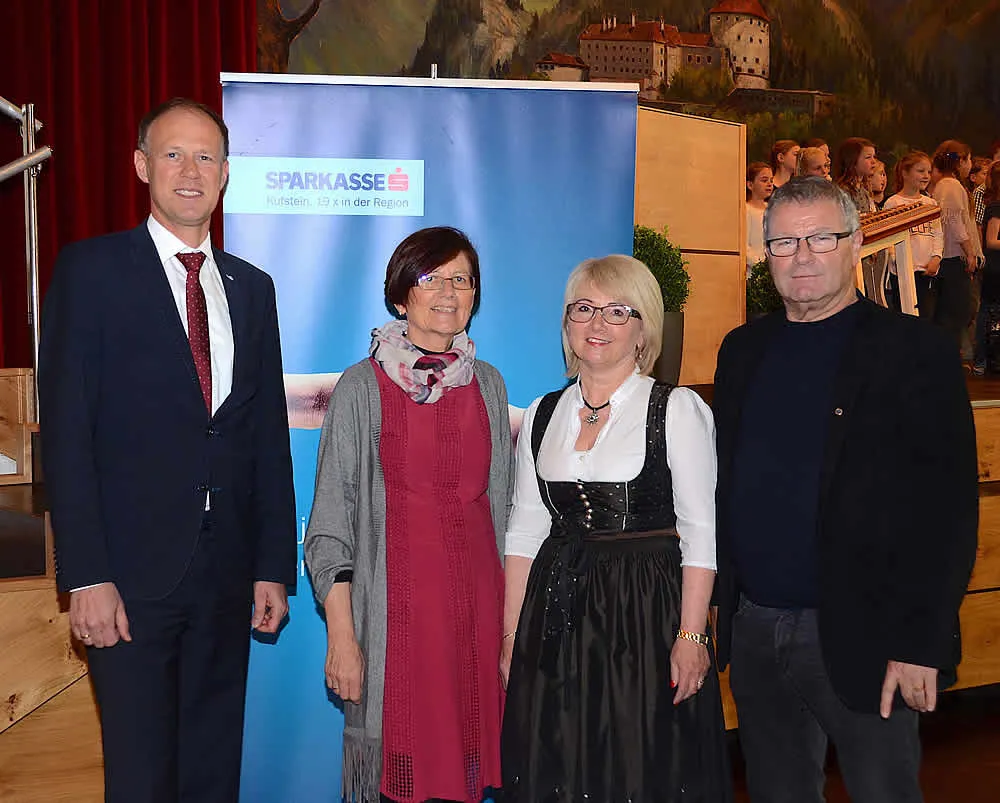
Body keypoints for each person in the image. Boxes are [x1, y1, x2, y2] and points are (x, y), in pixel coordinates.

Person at [38, 98, 296, 802]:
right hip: (126, 583)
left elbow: (265, 436)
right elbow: (66, 434)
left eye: (207, 156)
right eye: (174, 154)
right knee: (143, 776)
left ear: (226, 173)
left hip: (227, 579)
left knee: (212, 776)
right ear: (142, 165)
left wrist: (272, 565)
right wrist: (84, 573)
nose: (191, 170)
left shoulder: (253, 288)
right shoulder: (90, 273)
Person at [713, 177, 979, 803]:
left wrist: (923, 641)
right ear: (766, 253)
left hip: (871, 636)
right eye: (783, 242)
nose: (801, 255)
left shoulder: (916, 352)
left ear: (855, 244)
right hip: (754, 630)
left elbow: (948, 513)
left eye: (820, 238)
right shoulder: (742, 350)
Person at [501, 255, 731, 803]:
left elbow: (701, 533)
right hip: (556, 611)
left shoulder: (676, 409)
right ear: (566, 323)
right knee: (558, 756)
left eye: (616, 311)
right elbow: (525, 532)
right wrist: (511, 639)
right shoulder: (542, 412)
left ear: (643, 327)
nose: (597, 324)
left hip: (644, 613)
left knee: (638, 759)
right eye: (583, 309)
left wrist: (692, 635)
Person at [304, 226, 513, 803]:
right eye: (431, 279)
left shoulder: (489, 385)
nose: (449, 292)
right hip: (392, 625)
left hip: (475, 620)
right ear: (401, 295)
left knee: (465, 781)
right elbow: (327, 529)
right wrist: (343, 639)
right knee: (399, 781)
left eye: (462, 279)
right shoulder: (360, 388)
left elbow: (504, 517)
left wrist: (509, 633)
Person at [931, 139, 983, 353]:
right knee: (956, 313)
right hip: (953, 258)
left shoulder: (947, 185)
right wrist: (969, 252)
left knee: (958, 312)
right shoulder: (950, 186)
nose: (969, 164)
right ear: (960, 161)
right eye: (968, 159)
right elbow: (954, 221)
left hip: (952, 258)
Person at [883, 151, 943, 319]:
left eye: (929, 172)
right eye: (920, 171)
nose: (926, 176)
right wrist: (896, 259)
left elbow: (937, 233)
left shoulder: (930, 203)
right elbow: (888, 238)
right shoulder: (893, 203)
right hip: (903, 273)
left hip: (927, 271)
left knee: (925, 318)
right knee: (905, 318)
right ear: (905, 173)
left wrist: (936, 257)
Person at [973, 161, 1000, 373]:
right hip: (996, 267)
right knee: (987, 310)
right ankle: (981, 360)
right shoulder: (996, 206)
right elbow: (991, 240)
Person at [746, 161, 774, 274]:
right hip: (753, 273)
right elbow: (744, 247)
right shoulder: (746, 210)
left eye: (771, 180)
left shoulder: (772, 209)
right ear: (750, 185)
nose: (769, 184)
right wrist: (761, 265)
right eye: (764, 180)